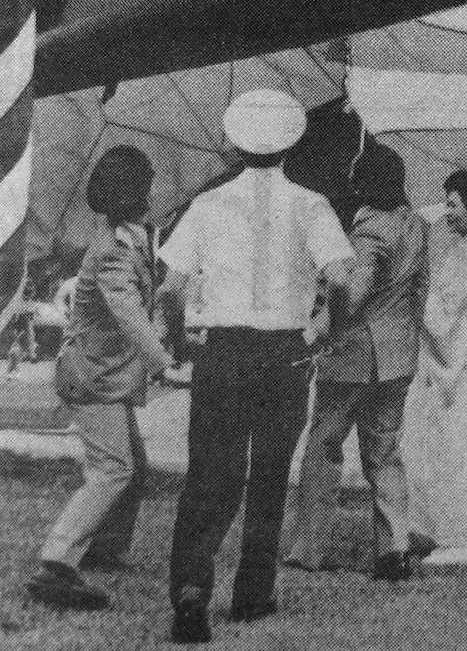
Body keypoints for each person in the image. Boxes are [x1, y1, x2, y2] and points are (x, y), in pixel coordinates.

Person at [158, 89, 355, 644]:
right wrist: (328, 328)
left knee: (210, 472)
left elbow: (171, 285)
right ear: (292, 143)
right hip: (285, 352)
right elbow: (340, 277)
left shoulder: (209, 205)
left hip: (223, 350)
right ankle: (252, 594)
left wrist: (179, 337)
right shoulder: (311, 204)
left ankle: (192, 592)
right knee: (270, 474)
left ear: (235, 143)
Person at [24, 147, 172, 612]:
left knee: (135, 466)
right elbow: (128, 313)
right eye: (147, 184)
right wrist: (162, 361)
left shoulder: (131, 238)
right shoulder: (111, 252)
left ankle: (104, 549)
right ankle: (57, 561)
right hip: (94, 378)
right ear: (136, 193)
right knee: (114, 469)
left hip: (104, 374)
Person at [287, 146, 428, 579]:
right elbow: (419, 290)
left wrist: (327, 306)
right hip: (399, 356)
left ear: (365, 184)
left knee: (323, 446)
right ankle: (394, 548)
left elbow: (355, 290)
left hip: (353, 355)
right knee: (384, 453)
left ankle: (307, 546)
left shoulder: (369, 230)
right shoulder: (417, 225)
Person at [405, 169, 467, 566]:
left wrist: (417, 293)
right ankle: (439, 529)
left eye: (453, 203)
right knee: (441, 443)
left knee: (458, 447)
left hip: (464, 359)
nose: (446, 211)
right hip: (457, 357)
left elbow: (449, 314)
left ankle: (460, 537)